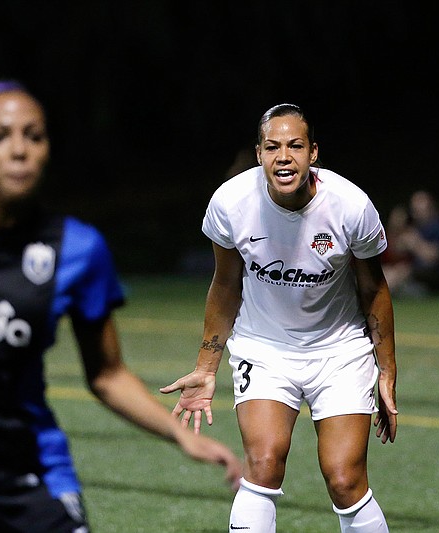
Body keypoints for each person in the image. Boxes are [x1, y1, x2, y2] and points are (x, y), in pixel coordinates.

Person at [0, 79, 242, 532]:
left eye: (34, 136)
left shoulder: (75, 248)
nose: (19, 150)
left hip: (36, 478)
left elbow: (107, 374)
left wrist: (177, 435)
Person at [160, 103, 398, 533]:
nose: (283, 156)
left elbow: (373, 289)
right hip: (264, 349)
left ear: (313, 153)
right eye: (272, 147)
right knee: (264, 462)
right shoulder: (231, 203)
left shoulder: (350, 206)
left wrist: (387, 369)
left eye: (295, 146)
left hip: (340, 350)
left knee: (345, 479)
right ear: (258, 154)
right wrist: (206, 366)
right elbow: (225, 285)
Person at [387, 190, 439, 296]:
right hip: (420, 275)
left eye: (422, 207)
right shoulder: (416, 228)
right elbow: (395, 252)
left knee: (403, 272)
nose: (418, 211)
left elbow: (433, 257)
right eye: (415, 208)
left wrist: (415, 243)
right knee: (388, 271)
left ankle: (380, 297)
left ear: (432, 206)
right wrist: (395, 227)